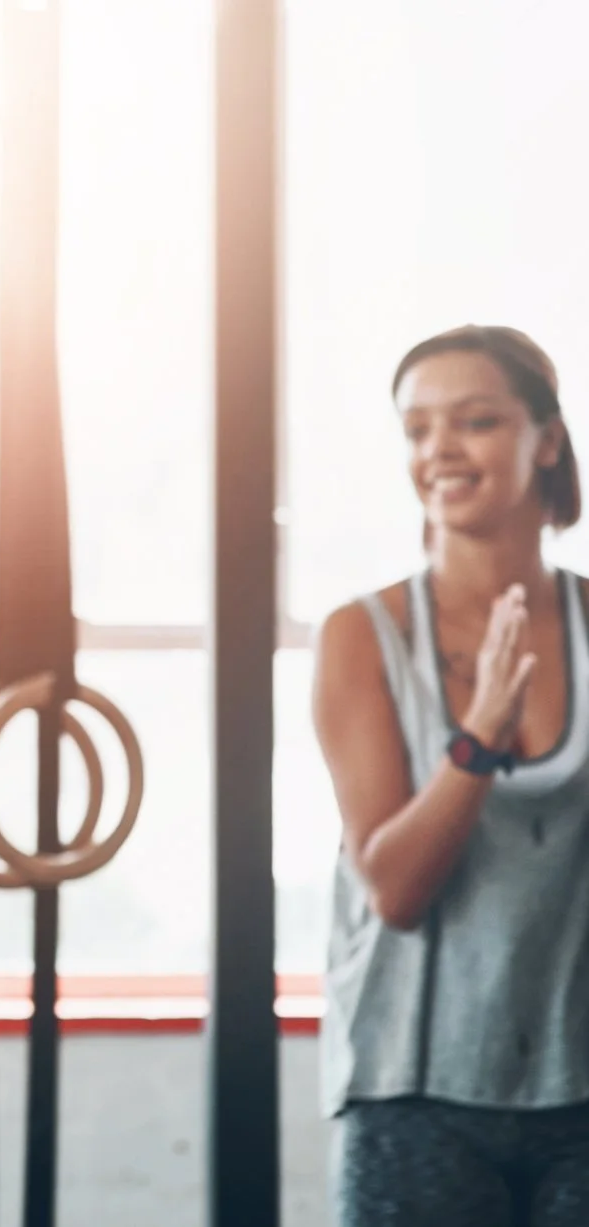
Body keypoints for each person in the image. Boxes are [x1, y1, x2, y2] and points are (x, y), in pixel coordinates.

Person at [311, 324, 589, 1226]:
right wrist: (477, 739)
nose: (440, 451)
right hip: (414, 1099)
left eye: (473, 422)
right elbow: (393, 887)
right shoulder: (363, 636)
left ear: (545, 439)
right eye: (418, 429)